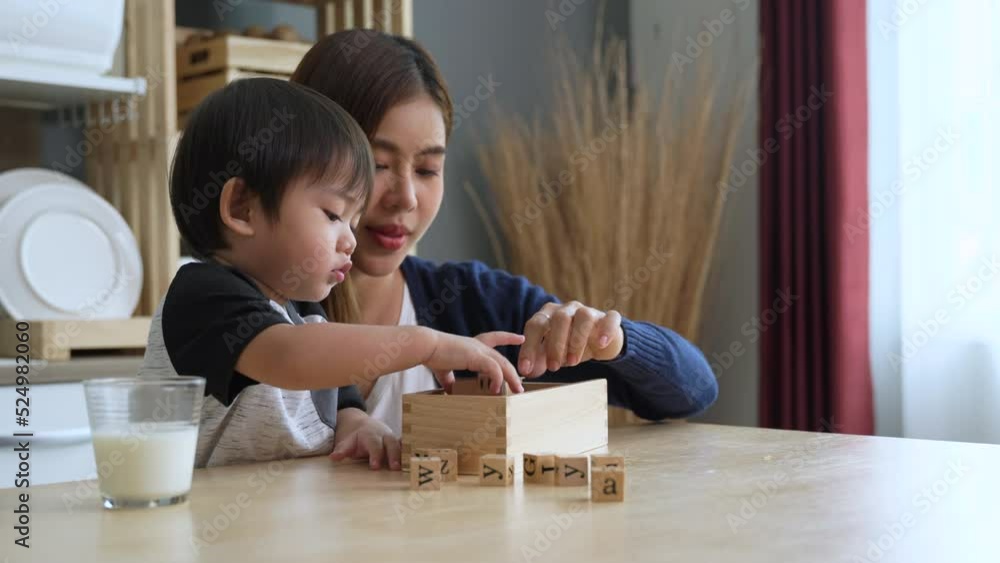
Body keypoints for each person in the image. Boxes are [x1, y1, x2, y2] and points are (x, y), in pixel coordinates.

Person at [290, 30, 719, 471]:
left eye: (427, 169)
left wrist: (614, 340)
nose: (407, 198)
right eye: (378, 165)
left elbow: (694, 391)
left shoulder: (470, 300)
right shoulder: (251, 307)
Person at [139, 78, 526, 467]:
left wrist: (357, 423)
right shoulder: (203, 296)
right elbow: (288, 358)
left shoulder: (302, 311)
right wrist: (428, 345)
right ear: (242, 207)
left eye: (353, 222)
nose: (350, 242)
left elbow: (337, 397)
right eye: (333, 216)